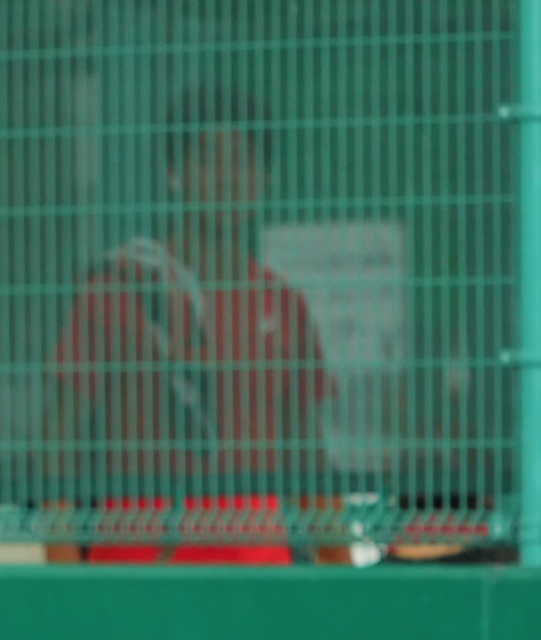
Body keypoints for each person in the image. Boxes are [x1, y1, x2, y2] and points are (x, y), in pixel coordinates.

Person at [45, 85, 336, 563]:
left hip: (257, 583)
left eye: (243, 161)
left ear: (265, 178)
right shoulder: (117, 289)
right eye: (208, 158)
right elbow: (59, 445)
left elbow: (310, 463)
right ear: (174, 172)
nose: (227, 178)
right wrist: (64, 580)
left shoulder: (284, 304)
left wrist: (345, 583)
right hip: (137, 576)